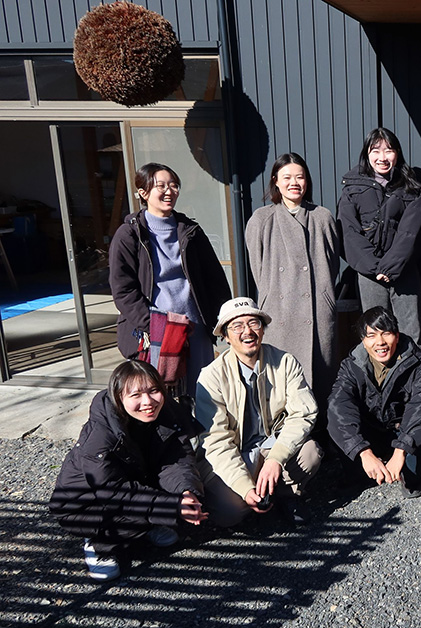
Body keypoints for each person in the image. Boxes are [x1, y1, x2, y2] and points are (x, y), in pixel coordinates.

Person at [49, 360, 207, 580]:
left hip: (133, 482)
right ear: (119, 397)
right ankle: (99, 544)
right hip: (84, 505)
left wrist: (186, 491)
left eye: (154, 391)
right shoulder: (100, 436)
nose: (148, 401)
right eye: (136, 395)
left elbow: (177, 459)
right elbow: (112, 492)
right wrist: (171, 506)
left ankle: (148, 524)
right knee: (160, 511)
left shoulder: (168, 411)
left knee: (182, 500)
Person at [194, 297, 323, 527]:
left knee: (310, 453)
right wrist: (244, 487)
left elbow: (304, 412)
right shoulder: (211, 377)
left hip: (270, 448)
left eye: (254, 323)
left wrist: (276, 458)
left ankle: (285, 495)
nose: (247, 331)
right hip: (235, 454)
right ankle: (255, 498)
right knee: (228, 513)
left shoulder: (285, 362)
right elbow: (216, 440)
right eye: (237, 326)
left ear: (262, 329)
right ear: (225, 336)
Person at [109, 163, 231, 395]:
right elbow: (123, 290)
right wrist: (154, 325)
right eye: (161, 186)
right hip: (155, 332)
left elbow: (214, 279)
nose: (169, 191)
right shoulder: (130, 234)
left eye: (174, 186)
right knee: (158, 396)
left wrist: (223, 319)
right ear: (143, 193)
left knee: (203, 393)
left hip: (195, 327)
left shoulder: (191, 231)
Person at [245, 153, 340, 407]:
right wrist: (270, 295)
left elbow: (332, 264)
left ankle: (322, 428)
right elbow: (258, 268)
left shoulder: (322, 217)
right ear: (275, 181)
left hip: (317, 311)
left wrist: (325, 297)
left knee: (321, 382)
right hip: (279, 312)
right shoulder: (261, 219)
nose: (294, 183)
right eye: (287, 177)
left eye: (300, 177)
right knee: (281, 383)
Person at [327, 306, 421, 498]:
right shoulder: (352, 365)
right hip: (371, 430)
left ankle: (406, 472)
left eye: (386, 333)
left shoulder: (419, 362)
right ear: (363, 340)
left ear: (397, 335)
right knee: (340, 425)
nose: (380, 342)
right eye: (371, 335)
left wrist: (401, 449)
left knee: (412, 478)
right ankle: (358, 474)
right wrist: (363, 451)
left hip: (404, 428)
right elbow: (339, 406)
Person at [338, 128, 421, 345]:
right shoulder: (352, 187)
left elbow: (410, 233)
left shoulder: (411, 188)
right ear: (367, 154)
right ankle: (379, 369)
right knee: (375, 332)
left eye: (389, 150)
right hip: (369, 274)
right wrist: (374, 267)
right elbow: (348, 232)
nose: (382, 157)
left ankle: (412, 368)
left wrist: (390, 266)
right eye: (376, 150)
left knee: (410, 331)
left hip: (404, 271)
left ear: (397, 153)